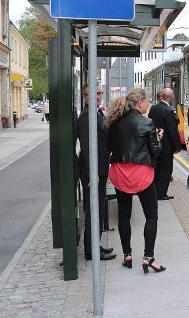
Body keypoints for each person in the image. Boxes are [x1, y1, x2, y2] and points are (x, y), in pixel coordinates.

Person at [106, 88, 166, 273]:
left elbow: (110, 147)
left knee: (124, 215)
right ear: (140, 103)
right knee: (151, 215)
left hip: (120, 173)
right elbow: (156, 151)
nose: (148, 104)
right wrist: (158, 138)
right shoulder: (147, 123)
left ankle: (127, 255)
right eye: (147, 101)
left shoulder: (115, 123)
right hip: (141, 174)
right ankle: (148, 258)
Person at [76, 84, 116, 261]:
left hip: (99, 169)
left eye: (99, 93)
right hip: (93, 172)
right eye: (93, 94)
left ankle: (95, 245)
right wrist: (94, 173)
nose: (98, 96)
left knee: (97, 208)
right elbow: (87, 146)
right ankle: (91, 251)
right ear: (85, 96)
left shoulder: (96, 112)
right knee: (94, 210)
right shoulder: (86, 116)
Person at [148, 87, 182, 200]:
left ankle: (155, 191)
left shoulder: (153, 108)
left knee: (157, 169)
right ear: (171, 97)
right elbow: (173, 131)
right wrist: (177, 147)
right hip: (167, 147)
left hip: (155, 144)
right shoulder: (169, 111)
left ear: (161, 97)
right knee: (166, 170)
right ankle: (161, 193)